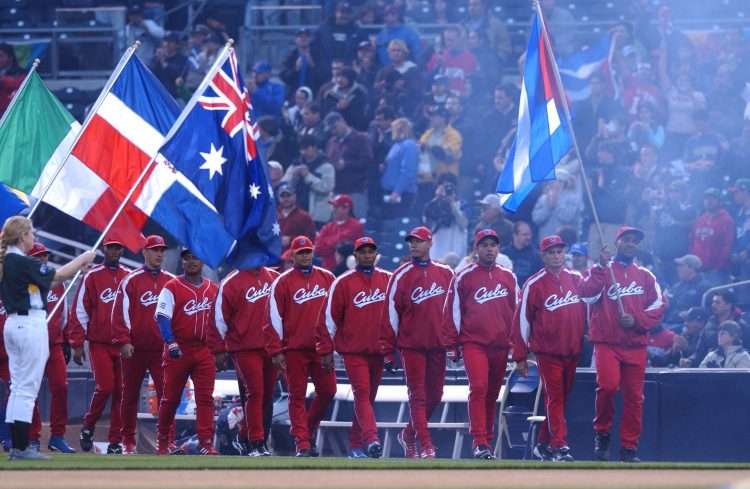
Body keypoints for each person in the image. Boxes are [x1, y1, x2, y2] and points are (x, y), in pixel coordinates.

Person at [0, 216, 94, 460]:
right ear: (22, 236)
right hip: (29, 324)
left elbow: (48, 282)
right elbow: (60, 275)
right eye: (31, 233)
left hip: (14, 323)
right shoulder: (20, 260)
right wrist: (83, 258)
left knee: (18, 386)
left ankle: (18, 444)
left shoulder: (10, 261)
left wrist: (76, 268)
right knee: (27, 388)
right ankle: (22, 448)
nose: (34, 238)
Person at [580, 226, 665, 463]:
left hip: (636, 345)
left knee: (634, 397)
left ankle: (629, 447)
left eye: (634, 241)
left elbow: (658, 306)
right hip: (608, 343)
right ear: (617, 243)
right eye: (626, 240)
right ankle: (602, 433)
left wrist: (636, 320)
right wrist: (599, 267)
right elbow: (586, 294)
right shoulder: (602, 270)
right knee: (607, 386)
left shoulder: (646, 275)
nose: (631, 244)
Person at [443, 229, 518, 460]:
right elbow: (452, 311)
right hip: (473, 342)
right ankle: (479, 440)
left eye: (493, 245)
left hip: (500, 344)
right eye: (484, 245)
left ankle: (487, 440)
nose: (489, 249)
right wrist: (452, 344)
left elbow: (517, 313)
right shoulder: (463, 276)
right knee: (479, 386)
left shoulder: (509, 277)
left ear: (498, 249)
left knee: (492, 392)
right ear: (476, 249)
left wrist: (518, 345)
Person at [512, 235, 586, 462]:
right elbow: (522, 320)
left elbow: (591, 303)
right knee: (554, 397)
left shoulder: (577, 278)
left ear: (565, 254)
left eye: (559, 251)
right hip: (547, 352)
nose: (556, 256)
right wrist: (520, 355)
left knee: (560, 399)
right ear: (543, 256)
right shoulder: (534, 284)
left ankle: (543, 445)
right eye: (551, 252)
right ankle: (559, 446)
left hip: (573, 349)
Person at [317, 237, 391, 458]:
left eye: (371, 251)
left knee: (368, 398)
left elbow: (396, 317)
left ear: (376, 254)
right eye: (363, 251)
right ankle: (372, 439)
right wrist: (325, 350)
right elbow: (329, 319)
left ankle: (356, 445)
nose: (367, 255)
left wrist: (393, 349)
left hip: (378, 351)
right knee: (362, 394)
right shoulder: (343, 282)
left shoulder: (388, 279)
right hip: (353, 351)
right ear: (355, 255)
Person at [384, 226, 454, 458]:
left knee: (436, 395)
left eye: (419, 241)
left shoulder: (446, 273)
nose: (413, 245)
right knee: (418, 395)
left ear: (430, 243)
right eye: (411, 241)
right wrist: (389, 348)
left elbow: (455, 310)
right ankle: (426, 444)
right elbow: (390, 314)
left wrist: (453, 341)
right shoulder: (401, 275)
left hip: (437, 344)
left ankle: (407, 433)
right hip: (411, 345)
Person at [265, 236, 336, 457]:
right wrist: (275, 351)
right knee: (296, 395)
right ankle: (302, 443)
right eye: (300, 252)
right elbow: (273, 318)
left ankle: (307, 427)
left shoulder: (328, 278)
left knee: (328, 391)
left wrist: (331, 345)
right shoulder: (283, 282)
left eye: (308, 251)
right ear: (292, 255)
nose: (305, 256)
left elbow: (335, 314)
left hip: (321, 348)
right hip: (294, 349)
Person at [110, 235, 175, 455]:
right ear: (145, 252)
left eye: (161, 250)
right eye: (155, 250)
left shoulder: (171, 281)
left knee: (167, 395)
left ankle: (167, 440)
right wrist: (124, 341)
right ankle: (128, 441)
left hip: (161, 349)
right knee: (129, 395)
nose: (159, 254)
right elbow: (120, 312)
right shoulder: (131, 280)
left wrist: (174, 341)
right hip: (135, 349)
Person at [155, 248, 223, 455]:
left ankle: (205, 444)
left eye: (196, 258)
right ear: (182, 262)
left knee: (205, 398)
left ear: (203, 262)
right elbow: (162, 316)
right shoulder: (172, 286)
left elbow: (221, 321)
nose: (192, 262)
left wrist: (221, 349)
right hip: (179, 348)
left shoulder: (214, 289)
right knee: (171, 398)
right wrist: (171, 343)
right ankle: (163, 441)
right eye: (187, 258)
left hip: (204, 349)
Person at [68, 238, 130, 454]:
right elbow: (79, 310)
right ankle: (88, 426)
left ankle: (115, 442)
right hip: (99, 343)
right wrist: (77, 343)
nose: (114, 250)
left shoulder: (128, 276)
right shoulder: (92, 276)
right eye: (111, 247)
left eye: (118, 247)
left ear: (122, 249)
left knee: (121, 392)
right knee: (105, 387)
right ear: (104, 248)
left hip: (122, 344)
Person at [216, 264, 280, 457]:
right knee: (255, 392)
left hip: (271, 348)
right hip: (244, 348)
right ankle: (256, 442)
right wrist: (220, 349)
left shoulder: (275, 277)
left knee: (267, 395)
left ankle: (248, 437)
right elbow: (219, 319)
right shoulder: (231, 282)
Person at [27, 244, 75, 454]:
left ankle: (57, 436)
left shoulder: (57, 284)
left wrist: (65, 340)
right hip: (31, 344)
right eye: (38, 256)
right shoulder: (23, 281)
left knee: (61, 388)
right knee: (31, 392)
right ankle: (32, 438)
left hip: (53, 344)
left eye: (45, 256)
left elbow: (63, 314)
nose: (43, 260)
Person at [324, 112, 374, 217]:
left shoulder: (361, 138)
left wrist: (345, 164)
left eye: (335, 128)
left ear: (342, 121)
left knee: (357, 223)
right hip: (337, 190)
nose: (333, 131)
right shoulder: (332, 141)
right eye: (331, 130)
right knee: (338, 224)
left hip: (356, 190)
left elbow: (367, 161)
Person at [282, 135, 336, 227]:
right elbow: (284, 187)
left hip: (317, 215)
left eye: (306, 148)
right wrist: (294, 177)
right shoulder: (295, 165)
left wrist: (308, 176)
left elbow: (326, 188)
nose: (303, 152)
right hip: (296, 212)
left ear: (314, 147)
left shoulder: (326, 166)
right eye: (301, 149)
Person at [689, 188, 735, 283]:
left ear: (719, 201)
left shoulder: (726, 220)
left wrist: (719, 266)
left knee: (714, 296)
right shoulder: (700, 219)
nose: (708, 201)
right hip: (698, 269)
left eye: (712, 198)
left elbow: (728, 245)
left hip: (716, 270)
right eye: (706, 198)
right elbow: (692, 240)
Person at [315, 194, 364, 271]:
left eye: (337, 207)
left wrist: (326, 241)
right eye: (333, 207)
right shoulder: (328, 226)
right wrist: (332, 244)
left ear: (346, 209)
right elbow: (318, 249)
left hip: (346, 270)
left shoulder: (355, 225)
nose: (333, 209)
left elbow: (341, 245)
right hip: (327, 269)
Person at [381, 117, 419, 217]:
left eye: (393, 128)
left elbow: (408, 171)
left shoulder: (409, 145)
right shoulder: (396, 145)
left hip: (401, 194)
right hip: (389, 192)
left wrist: (397, 192)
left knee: (397, 225)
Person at [423, 181, 468, 262]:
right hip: (437, 253)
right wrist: (437, 199)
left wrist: (451, 203)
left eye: (447, 193)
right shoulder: (433, 206)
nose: (443, 197)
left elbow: (464, 224)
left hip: (455, 254)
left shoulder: (461, 205)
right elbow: (426, 221)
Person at [662, 254, 709, 326]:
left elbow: (704, 312)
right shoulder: (678, 286)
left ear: (691, 268)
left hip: (684, 325)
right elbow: (667, 303)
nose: (678, 269)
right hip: (667, 321)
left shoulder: (704, 287)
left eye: (681, 266)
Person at [502, 221, 543, 288]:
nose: (528, 237)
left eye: (530, 234)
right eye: (525, 235)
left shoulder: (537, 256)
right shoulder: (504, 253)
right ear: (515, 235)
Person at [276, 183, 316, 251]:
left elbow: (311, 239)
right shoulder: (272, 215)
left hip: (295, 256)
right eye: (282, 196)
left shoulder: (304, 217)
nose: (286, 199)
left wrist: (291, 240)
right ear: (278, 198)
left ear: (295, 196)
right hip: (275, 255)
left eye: (288, 196)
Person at [150, 33, 187, 97]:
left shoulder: (182, 59)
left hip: (172, 96)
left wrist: (163, 62)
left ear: (177, 45)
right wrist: (157, 60)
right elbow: (150, 73)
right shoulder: (157, 57)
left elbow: (178, 76)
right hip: (155, 93)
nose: (167, 44)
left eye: (171, 42)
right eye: (165, 41)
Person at [0, 43, 25, 117]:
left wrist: (3, 79)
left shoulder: (21, 73)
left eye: (0, 56)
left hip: (12, 113)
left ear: (10, 58)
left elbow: (20, 84)